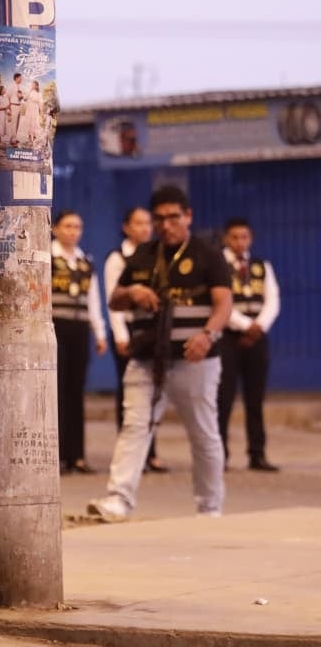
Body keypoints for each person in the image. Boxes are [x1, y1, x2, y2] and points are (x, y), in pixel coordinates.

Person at [88, 185, 232, 522]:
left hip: (196, 361)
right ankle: (118, 499)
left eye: (174, 218)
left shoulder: (208, 254)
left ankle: (210, 506)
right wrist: (132, 292)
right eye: (160, 219)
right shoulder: (142, 255)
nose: (166, 225)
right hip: (145, 360)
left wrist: (208, 336)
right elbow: (115, 300)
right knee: (135, 427)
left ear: (188, 217)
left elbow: (224, 304)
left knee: (203, 432)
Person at [104, 207, 167, 473]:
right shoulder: (119, 258)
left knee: (155, 391)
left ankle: (151, 452)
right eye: (138, 223)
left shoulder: (156, 256)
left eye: (147, 223)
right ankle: (132, 454)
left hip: (152, 330)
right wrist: (119, 337)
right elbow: (112, 299)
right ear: (126, 227)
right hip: (128, 330)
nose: (145, 228)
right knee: (129, 392)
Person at [217, 217, 281, 471]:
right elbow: (219, 302)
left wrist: (259, 327)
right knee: (224, 398)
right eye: (234, 237)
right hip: (229, 338)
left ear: (250, 238)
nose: (239, 242)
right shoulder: (219, 265)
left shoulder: (261, 266)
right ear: (226, 238)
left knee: (255, 399)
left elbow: (273, 300)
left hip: (257, 338)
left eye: (244, 237)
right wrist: (244, 325)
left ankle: (257, 453)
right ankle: (220, 455)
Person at [51, 210, 107, 473]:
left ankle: (77, 456)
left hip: (79, 329)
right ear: (55, 229)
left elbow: (94, 300)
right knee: (56, 392)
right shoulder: (48, 259)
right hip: (55, 328)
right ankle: (58, 456)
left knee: (76, 392)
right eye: (68, 226)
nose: (73, 231)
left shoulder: (86, 262)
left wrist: (99, 332)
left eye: (77, 226)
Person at [16, 79, 43, 146]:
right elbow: (25, 99)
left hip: (35, 108)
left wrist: (41, 111)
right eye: (32, 84)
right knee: (28, 122)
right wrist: (28, 92)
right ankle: (29, 138)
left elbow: (40, 103)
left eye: (34, 84)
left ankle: (33, 137)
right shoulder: (30, 91)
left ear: (37, 86)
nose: (32, 85)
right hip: (29, 108)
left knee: (34, 122)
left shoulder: (39, 93)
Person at [5, 73, 24, 144]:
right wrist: (8, 108)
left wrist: (21, 97)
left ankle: (14, 138)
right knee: (13, 123)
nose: (21, 79)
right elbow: (7, 97)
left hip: (19, 105)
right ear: (16, 78)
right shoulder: (11, 86)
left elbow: (20, 97)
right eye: (20, 78)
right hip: (13, 106)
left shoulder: (20, 87)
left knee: (17, 123)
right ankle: (13, 140)